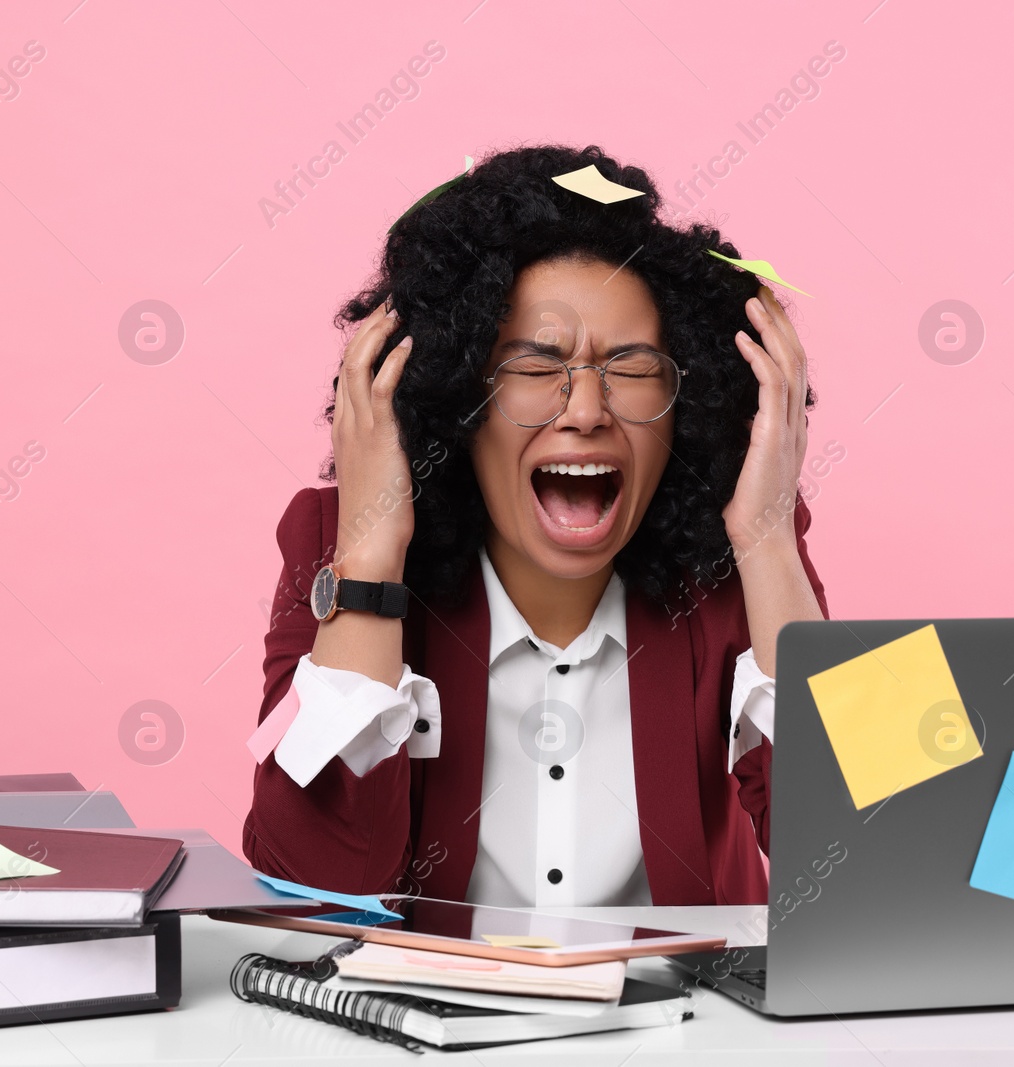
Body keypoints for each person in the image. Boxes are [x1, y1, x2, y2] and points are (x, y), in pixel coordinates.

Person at [242, 145, 827, 907]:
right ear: (460, 400)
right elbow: (307, 889)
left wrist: (769, 543)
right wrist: (372, 553)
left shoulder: (745, 544)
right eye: (534, 366)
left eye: (632, 366)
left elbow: (881, 855)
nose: (585, 411)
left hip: (688, 1021)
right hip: (435, 1024)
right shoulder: (337, 540)